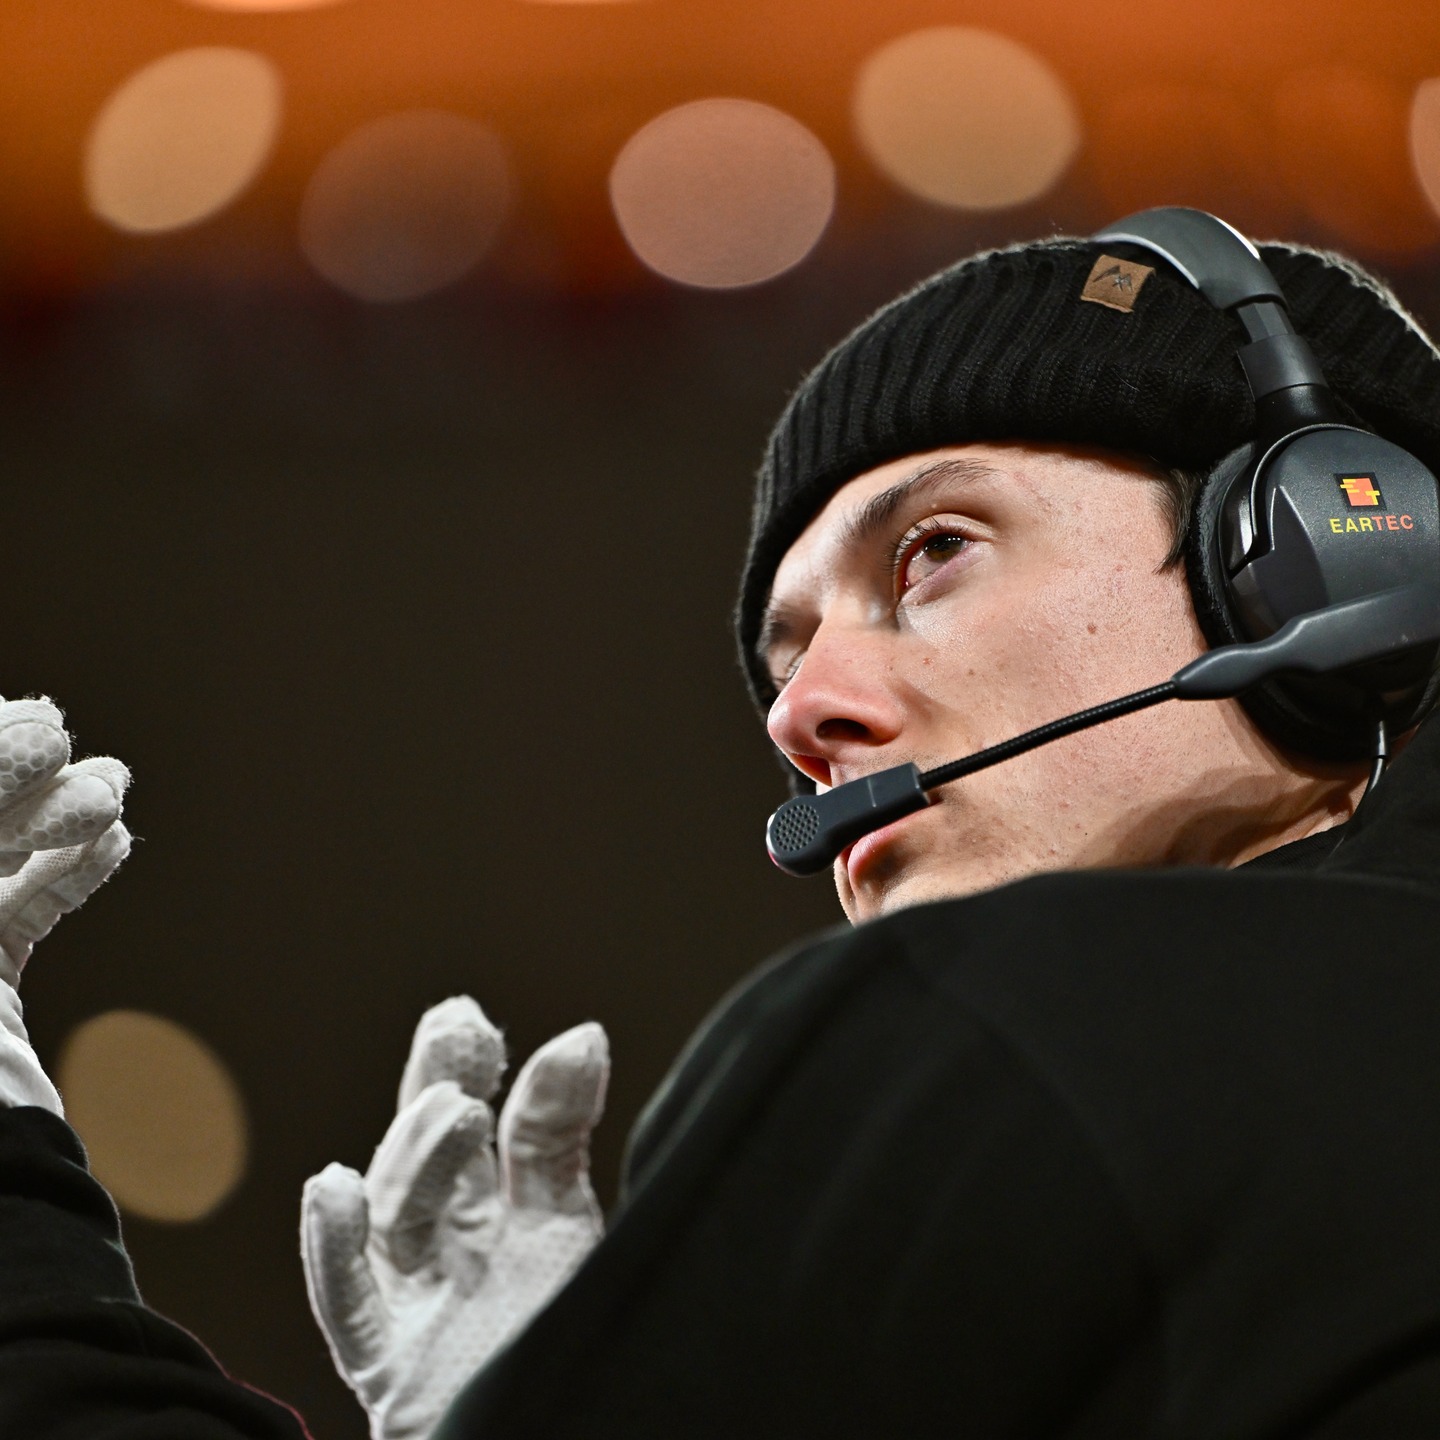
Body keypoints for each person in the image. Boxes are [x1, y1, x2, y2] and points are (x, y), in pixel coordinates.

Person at [4, 212, 1440, 1439]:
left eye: (932, 551)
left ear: (1320, 568)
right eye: (782, 657)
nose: (800, 712)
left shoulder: (993, 1031)